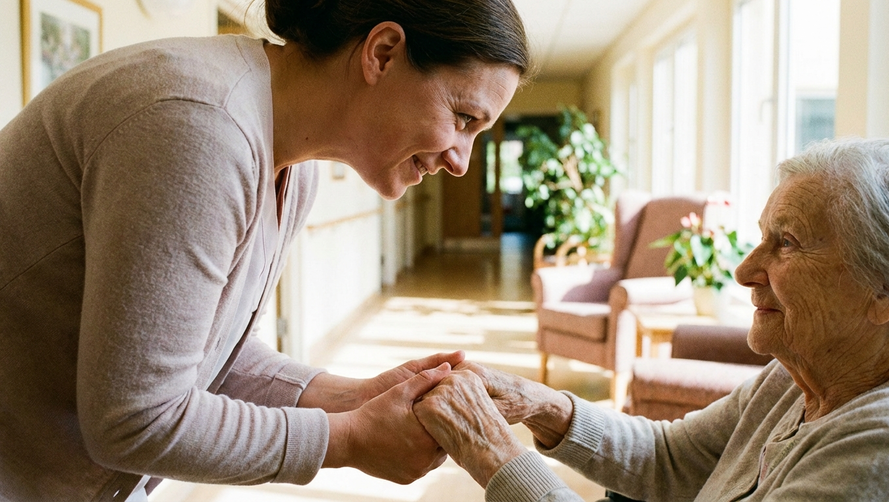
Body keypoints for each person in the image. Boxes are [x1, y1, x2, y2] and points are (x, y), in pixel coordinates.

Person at [0, 0, 529, 500]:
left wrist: (359, 398)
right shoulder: (200, 128)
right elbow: (135, 419)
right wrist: (345, 439)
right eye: (463, 119)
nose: (462, 161)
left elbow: (215, 356)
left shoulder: (294, 171)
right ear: (383, 53)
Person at [414, 137, 889, 501]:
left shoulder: (879, 449)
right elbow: (671, 457)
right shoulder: (796, 377)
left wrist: (497, 455)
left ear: (887, 292)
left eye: (787, 243)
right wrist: (541, 403)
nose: (745, 270)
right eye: (762, 239)